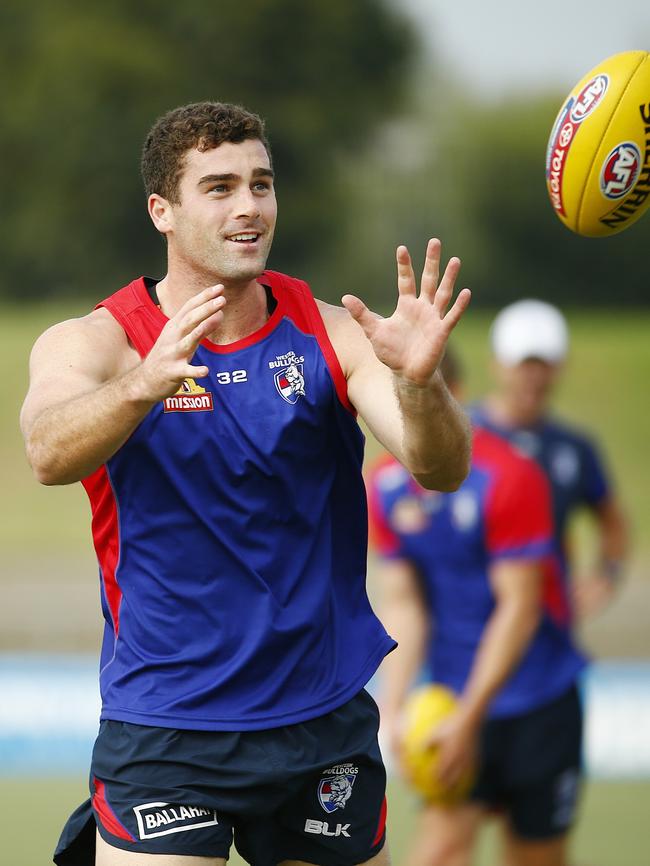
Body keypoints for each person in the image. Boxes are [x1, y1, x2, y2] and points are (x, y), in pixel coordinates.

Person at [20, 101, 472, 866]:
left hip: (320, 720)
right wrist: (140, 387)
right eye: (220, 187)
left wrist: (421, 385)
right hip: (168, 721)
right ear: (163, 210)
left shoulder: (329, 330)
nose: (250, 207)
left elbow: (439, 468)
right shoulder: (97, 341)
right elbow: (46, 450)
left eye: (261, 184)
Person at [367, 348, 587, 866]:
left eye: (420, 397)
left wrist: (471, 718)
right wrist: (393, 709)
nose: (406, 415)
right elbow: (405, 604)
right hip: (448, 703)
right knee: (440, 850)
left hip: (538, 700)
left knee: (536, 857)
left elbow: (520, 608)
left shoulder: (510, 474)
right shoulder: (385, 485)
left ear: (455, 397)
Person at [471, 299, 629, 624]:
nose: (534, 377)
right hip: (466, 629)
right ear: (497, 364)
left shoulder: (574, 448)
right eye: (523, 365)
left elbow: (612, 521)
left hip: (548, 631)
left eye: (544, 365)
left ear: (559, 367)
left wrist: (607, 575)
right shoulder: (459, 437)